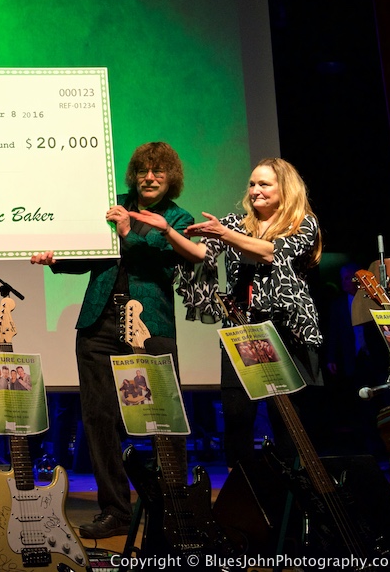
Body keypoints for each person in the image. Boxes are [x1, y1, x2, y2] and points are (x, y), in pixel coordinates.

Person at [30, 141, 195, 539]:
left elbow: (163, 257)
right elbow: (90, 255)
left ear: (170, 178)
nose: (149, 177)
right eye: (143, 171)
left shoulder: (176, 217)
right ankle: (116, 510)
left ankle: (175, 505)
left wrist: (126, 229)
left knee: (162, 420)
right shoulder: (113, 205)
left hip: (149, 326)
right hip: (98, 325)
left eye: (158, 171)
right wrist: (58, 260)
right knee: (99, 418)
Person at [136, 157, 324, 469]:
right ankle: (244, 495)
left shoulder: (303, 223)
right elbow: (199, 253)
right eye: (252, 184)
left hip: (288, 330)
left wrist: (223, 233)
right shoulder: (236, 224)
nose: (255, 190)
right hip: (243, 329)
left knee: (287, 420)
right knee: (237, 416)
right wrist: (168, 230)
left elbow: (271, 253)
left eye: (264, 184)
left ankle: (295, 500)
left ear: (285, 189)